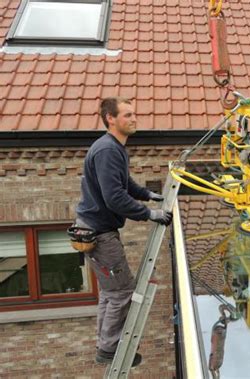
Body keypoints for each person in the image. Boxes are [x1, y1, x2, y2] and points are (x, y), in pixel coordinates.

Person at [74, 96, 172, 367]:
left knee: (109, 293)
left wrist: (148, 195)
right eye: (127, 114)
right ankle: (111, 349)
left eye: (133, 114)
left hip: (94, 229)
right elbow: (114, 197)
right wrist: (150, 214)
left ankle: (104, 344)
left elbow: (125, 184)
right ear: (111, 119)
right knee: (121, 292)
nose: (133, 118)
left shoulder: (113, 148)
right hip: (101, 234)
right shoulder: (107, 150)